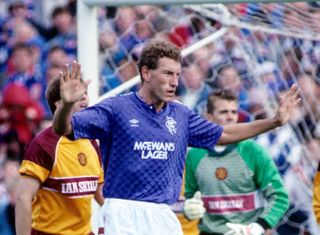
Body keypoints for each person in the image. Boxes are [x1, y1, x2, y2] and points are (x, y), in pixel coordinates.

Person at [52, 40, 300, 235]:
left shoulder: (181, 114)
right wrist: (66, 105)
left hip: (163, 213)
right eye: (168, 74)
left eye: (178, 75)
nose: (174, 82)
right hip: (122, 212)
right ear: (146, 73)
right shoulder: (116, 108)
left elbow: (223, 134)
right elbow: (63, 129)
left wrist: (274, 122)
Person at [184, 89, 289, 235]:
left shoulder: (254, 151)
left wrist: (259, 226)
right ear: (209, 117)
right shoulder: (194, 155)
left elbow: (279, 196)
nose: (230, 117)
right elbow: (191, 197)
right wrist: (189, 209)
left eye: (233, 112)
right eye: (223, 112)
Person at [15, 75, 104, 235]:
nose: (84, 97)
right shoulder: (43, 144)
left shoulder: (91, 141)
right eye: (77, 93)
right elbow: (23, 199)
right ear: (59, 103)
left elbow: (100, 193)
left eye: (85, 92)